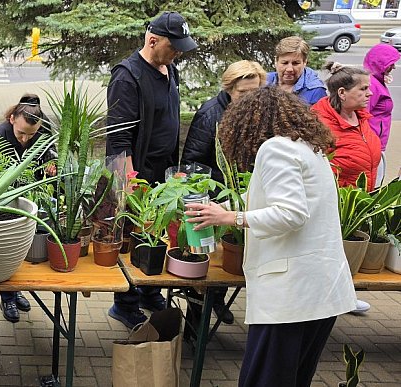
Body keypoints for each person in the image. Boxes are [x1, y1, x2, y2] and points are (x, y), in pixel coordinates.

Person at [184, 86, 357, 387]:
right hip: (322, 291)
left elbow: (290, 213)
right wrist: (221, 207)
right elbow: (272, 198)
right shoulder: (307, 148)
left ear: (249, 122)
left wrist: (230, 218)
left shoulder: (275, 148)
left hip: (292, 296)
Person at [104, 11, 197, 329]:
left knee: (156, 232)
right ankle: (125, 302)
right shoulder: (127, 76)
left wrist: (175, 171)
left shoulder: (170, 69)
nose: (179, 53)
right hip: (135, 172)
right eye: (174, 47)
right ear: (152, 40)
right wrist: (128, 183)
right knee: (133, 235)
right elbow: (119, 138)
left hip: (162, 169)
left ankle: (147, 289)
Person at [181, 60, 266, 325]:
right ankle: (197, 324)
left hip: (242, 198)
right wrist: (206, 197)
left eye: (254, 92)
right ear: (229, 88)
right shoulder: (210, 114)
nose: (248, 98)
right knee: (206, 262)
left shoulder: (258, 113)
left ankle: (218, 298)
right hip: (215, 200)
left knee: (230, 255)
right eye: (243, 93)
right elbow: (193, 161)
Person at [312, 62, 381, 315]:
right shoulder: (320, 122)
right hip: (335, 202)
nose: (369, 93)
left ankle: (342, 296)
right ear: (342, 93)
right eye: (363, 89)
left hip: (358, 199)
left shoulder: (360, 117)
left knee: (343, 254)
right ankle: (325, 302)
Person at [0, 94, 56, 323]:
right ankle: (7, 297)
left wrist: (52, 167)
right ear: (12, 118)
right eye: (21, 133)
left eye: (31, 134)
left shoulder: (45, 135)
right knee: (7, 248)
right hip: (4, 202)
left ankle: (17, 290)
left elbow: (52, 162)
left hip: (31, 199)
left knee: (23, 248)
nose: (25, 139)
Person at [363, 43, 399, 187]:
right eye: (391, 63)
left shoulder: (378, 82)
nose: (394, 67)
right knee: (373, 186)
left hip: (377, 144)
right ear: (380, 63)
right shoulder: (372, 84)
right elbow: (363, 115)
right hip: (372, 145)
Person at [265, 36, 326, 105]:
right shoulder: (264, 81)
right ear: (276, 61)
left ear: (304, 62)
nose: (289, 69)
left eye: (295, 63)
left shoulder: (316, 90)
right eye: (285, 63)